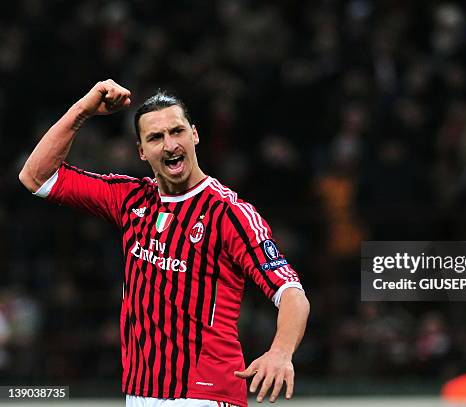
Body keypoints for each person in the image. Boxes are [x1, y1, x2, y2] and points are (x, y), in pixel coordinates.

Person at [19, 79, 310, 407]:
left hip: (204, 394)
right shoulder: (130, 199)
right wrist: (83, 110)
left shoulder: (229, 213)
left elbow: (291, 293)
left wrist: (281, 352)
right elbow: (36, 177)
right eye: (156, 137)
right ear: (142, 151)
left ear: (194, 134)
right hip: (139, 393)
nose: (170, 144)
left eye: (177, 131)